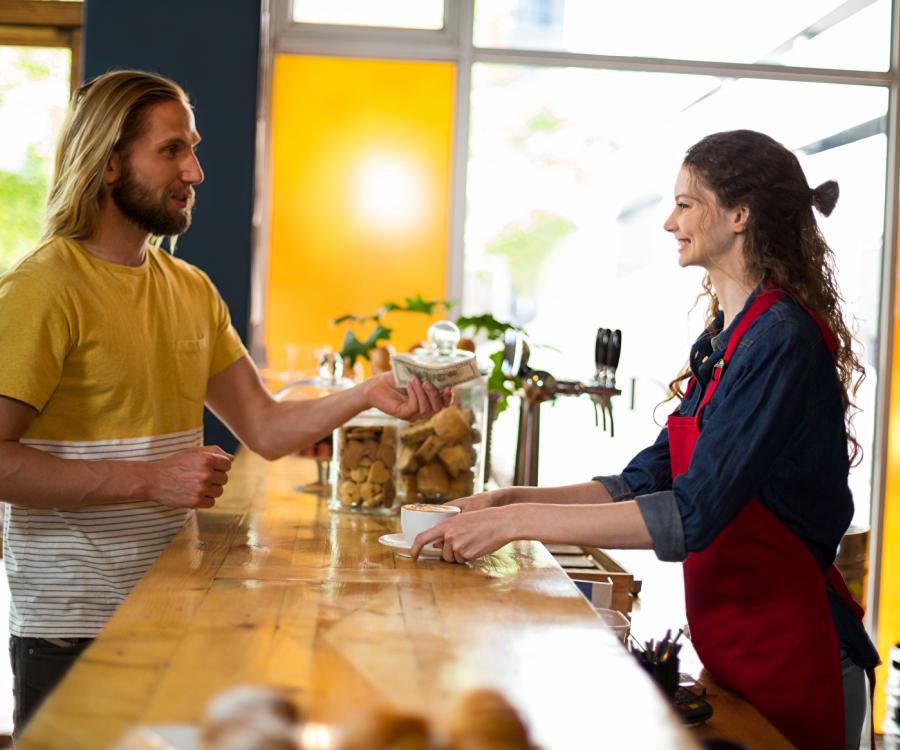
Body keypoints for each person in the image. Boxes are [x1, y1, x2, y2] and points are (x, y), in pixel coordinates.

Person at [0, 69, 448, 735]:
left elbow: (264, 427)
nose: (196, 171)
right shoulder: (42, 288)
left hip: (175, 612)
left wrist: (367, 395)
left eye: (194, 148)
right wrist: (151, 479)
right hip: (76, 630)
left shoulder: (189, 287)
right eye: (173, 149)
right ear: (110, 161)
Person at [411, 130, 880, 750]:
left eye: (687, 204)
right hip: (738, 656)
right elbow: (645, 479)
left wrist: (519, 523)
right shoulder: (730, 338)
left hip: (798, 663)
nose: (668, 222)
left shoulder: (782, 339)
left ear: (740, 216)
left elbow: (693, 515)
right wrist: (505, 502)